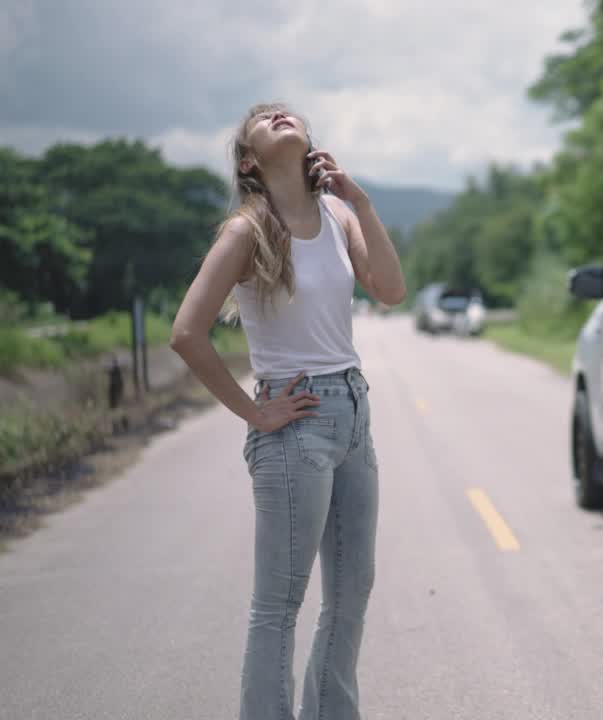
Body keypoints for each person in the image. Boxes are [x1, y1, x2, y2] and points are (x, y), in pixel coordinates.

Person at [170, 103, 405, 720]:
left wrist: (365, 204)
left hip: (353, 412)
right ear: (249, 160)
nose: (278, 113)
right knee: (279, 605)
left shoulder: (335, 214)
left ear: (308, 145)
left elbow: (390, 289)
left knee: (351, 594)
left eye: (287, 112)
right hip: (294, 425)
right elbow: (187, 333)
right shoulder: (247, 231)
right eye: (262, 118)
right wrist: (255, 412)